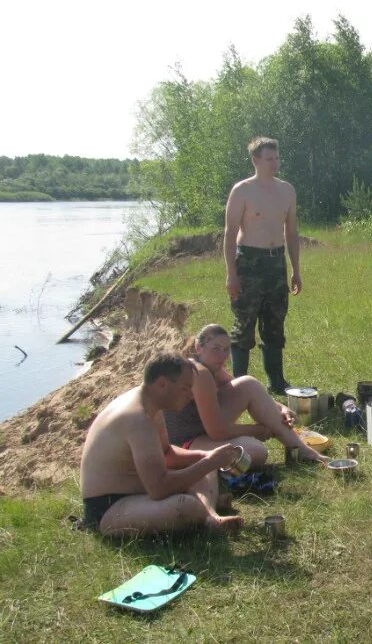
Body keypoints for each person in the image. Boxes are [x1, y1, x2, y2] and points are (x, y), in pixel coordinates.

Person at [79, 353, 244, 537]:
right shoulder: (138, 419)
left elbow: (167, 454)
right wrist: (209, 462)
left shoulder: (150, 404)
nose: (191, 395)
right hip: (109, 507)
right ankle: (203, 509)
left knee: (205, 460)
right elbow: (159, 488)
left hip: (139, 490)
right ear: (162, 384)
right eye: (185, 388)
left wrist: (207, 456)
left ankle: (211, 515)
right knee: (186, 507)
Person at [164, 324, 330, 468]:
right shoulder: (199, 373)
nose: (222, 356)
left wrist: (281, 407)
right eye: (216, 349)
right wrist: (256, 430)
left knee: (248, 383)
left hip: (204, 431)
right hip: (183, 444)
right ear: (198, 347)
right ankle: (208, 471)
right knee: (255, 451)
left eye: (226, 350)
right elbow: (217, 432)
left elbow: (249, 390)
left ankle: (302, 450)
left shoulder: (210, 366)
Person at [225, 136, 301, 394]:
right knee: (244, 324)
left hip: (276, 262)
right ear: (255, 160)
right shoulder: (242, 190)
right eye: (269, 159)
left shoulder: (287, 190)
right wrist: (231, 274)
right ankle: (239, 384)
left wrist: (295, 270)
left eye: (277, 158)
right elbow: (229, 233)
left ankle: (277, 382)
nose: (275, 163)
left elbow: (291, 233)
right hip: (248, 261)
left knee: (275, 323)